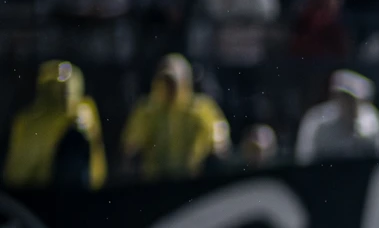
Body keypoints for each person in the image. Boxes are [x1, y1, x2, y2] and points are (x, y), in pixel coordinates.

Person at [121, 54, 231, 180]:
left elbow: (220, 141)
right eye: (165, 80)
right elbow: (131, 144)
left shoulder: (202, 109)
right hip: (154, 180)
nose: (170, 87)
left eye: (174, 81)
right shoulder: (146, 110)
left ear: (186, 81)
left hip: (192, 178)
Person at [4, 60, 106, 190]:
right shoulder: (25, 120)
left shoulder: (80, 115)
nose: (64, 93)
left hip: (61, 192)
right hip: (27, 190)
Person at [294, 69, 379, 165]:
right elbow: (305, 158)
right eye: (343, 97)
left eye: (353, 100)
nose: (348, 103)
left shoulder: (372, 121)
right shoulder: (317, 121)